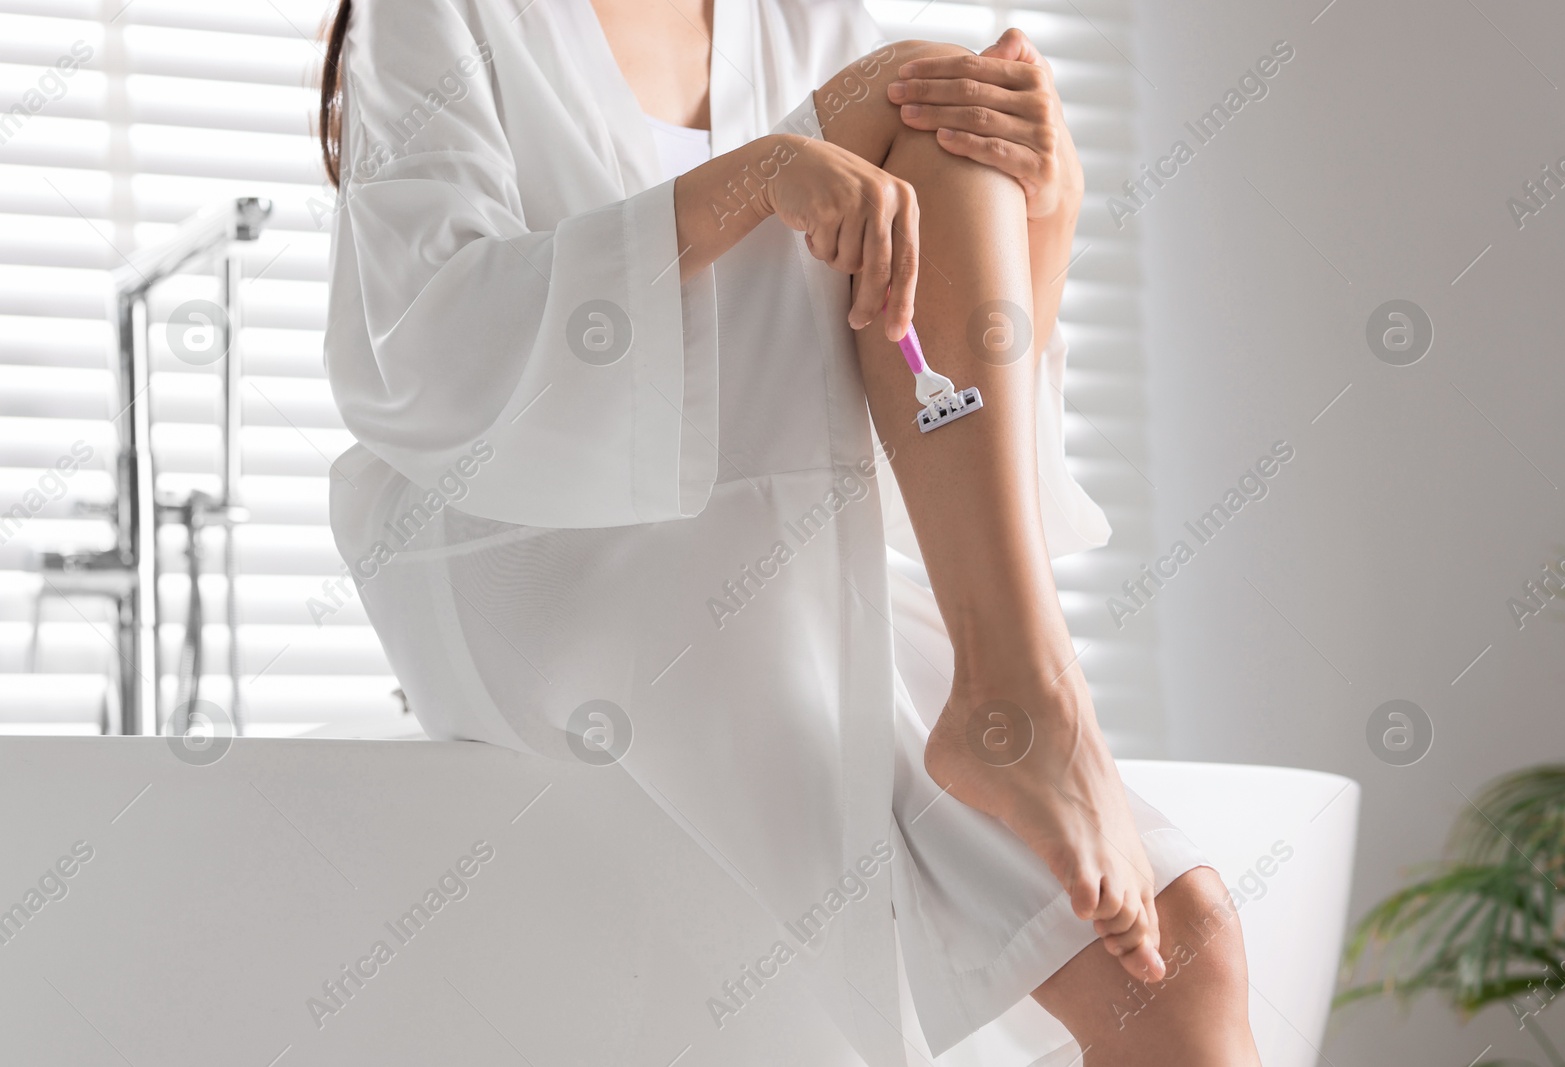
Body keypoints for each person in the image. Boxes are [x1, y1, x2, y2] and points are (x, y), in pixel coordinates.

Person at [316, 0, 1261, 1062]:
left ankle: (1018, 689)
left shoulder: (798, 17)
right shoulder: (436, 14)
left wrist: (1051, 205)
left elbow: (927, 401)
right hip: (524, 534)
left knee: (1185, 957)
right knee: (919, 81)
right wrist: (751, 179)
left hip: (776, 522)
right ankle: (1028, 694)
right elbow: (428, 347)